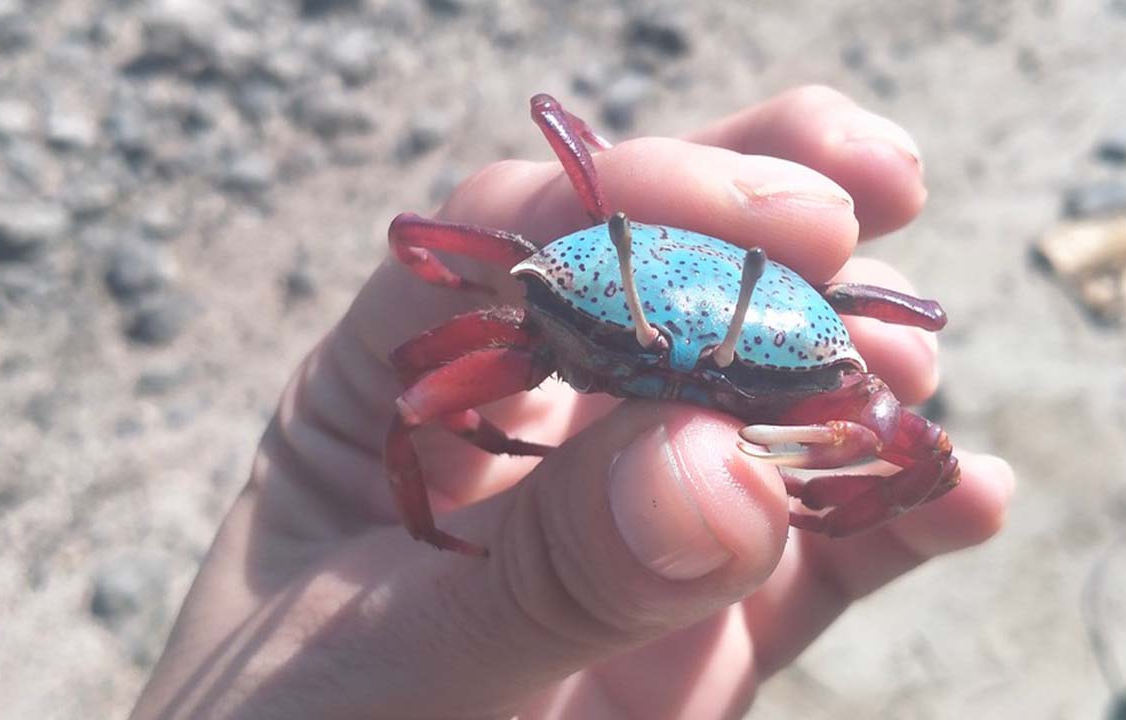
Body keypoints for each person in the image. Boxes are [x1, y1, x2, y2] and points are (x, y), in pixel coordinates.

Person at [130, 85, 1014, 720]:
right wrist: (487, 445)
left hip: (756, 343)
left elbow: (923, 458)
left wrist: (835, 507)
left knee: (932, 455)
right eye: (655, 350)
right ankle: (439, 534)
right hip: (578, 317)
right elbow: (414, 353)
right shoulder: (528, 314)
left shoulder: (835, 366)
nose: (680, 367)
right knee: (414, 406)